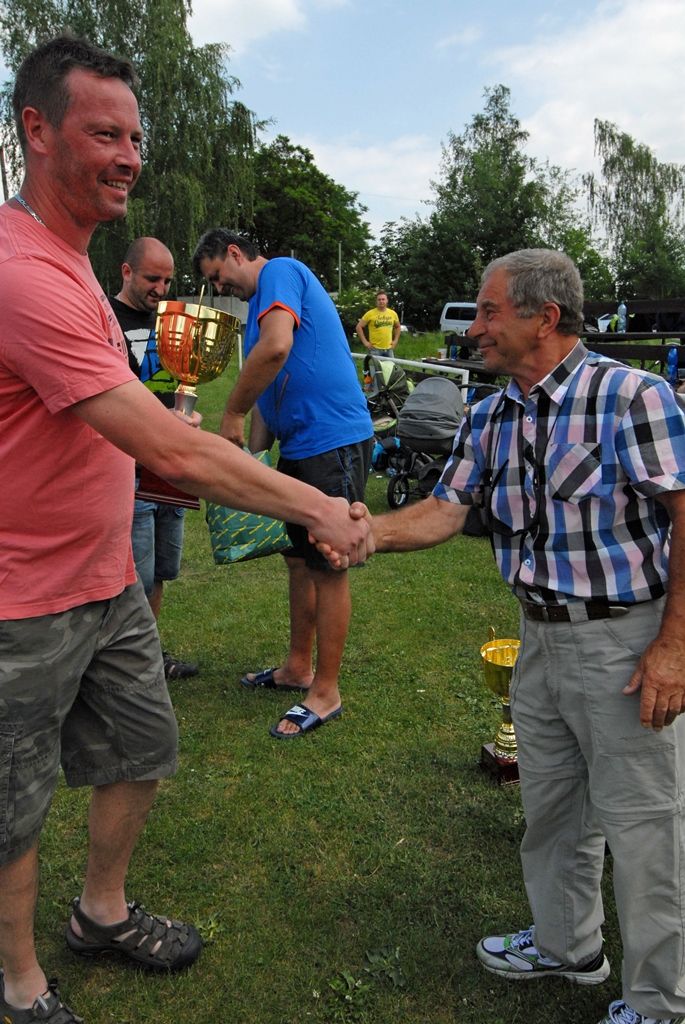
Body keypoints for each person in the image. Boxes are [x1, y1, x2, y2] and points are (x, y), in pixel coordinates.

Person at [0, 34, 370, 1024]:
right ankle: (20, 984)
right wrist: (317, 507)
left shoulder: (74, 264)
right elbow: (180, 452)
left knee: (143, 746)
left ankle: (102, 913)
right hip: (22, 598)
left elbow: (131, 428)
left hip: (105, 576)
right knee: (13, 806)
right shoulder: (22, 271)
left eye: (135, 137)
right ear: (37, 130)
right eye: (104, 134)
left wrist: (178, 430)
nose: (129, 157)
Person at [341, 249, 685, 1024]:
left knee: (644, 830)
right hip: (538, 638)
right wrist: (365, 532)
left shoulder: (631, 396)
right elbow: (444, 510)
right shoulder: (489, 414)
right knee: (553, 810)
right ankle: (568, 947)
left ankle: (660, 1004)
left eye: (489, 311)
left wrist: (673, 646)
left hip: (625, 644)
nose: (475, 328)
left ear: (544, 317)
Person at [192, 230, 374, 739]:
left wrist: (231, 411)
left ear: (234, 253)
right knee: (298, 561)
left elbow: (276, 350)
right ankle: (298, 667)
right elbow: (270, 386)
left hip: (331, 441)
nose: (220, 288)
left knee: (328, 565)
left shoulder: (280, 272)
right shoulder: (259, 306)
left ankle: (327, 691)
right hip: (298, 445)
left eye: (217, 276)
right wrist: (254, 461)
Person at [110, 237, 199, 680]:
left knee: (161, 570)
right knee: (134, 576)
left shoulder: (171, 322)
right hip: (129, 467)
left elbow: (183, 381)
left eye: (167, 280)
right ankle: (122, 665)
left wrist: (186, 412)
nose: (161, 289)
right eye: (152, 279)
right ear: (126, 272)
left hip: (171, 466)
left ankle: (149, 657)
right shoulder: (103, 317)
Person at [355, 290, 401, 357]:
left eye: (383, 299)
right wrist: (365, 343)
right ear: (376, 301)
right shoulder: (370, 314)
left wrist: (395, 341)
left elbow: (398, 327)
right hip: (375, 350)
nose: (381, 301)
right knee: (374, 364)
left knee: (390, 364)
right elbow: (358, 327)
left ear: (387, 300)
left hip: (389, 349)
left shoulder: (393, 313)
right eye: (379, 299)